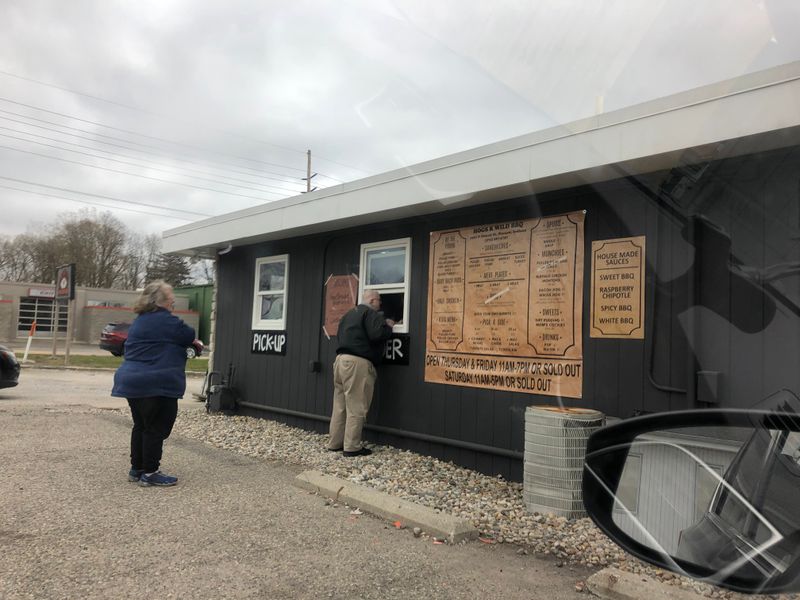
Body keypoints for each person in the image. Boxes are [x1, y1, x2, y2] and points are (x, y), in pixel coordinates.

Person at [111, 280, 196, 486]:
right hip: (155, 384)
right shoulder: (166, 320)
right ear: (162, 302)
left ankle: (136, 469)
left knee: (141, 425)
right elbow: (189, 335)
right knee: (157, 427)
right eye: (171, 300)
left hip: (131, 382)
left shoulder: (140, 320)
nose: (173, 303)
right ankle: (150, 473)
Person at [328, 290, 394, 456]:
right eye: (379, 300)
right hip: (357, 363)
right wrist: (389, 326)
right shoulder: (370, 313)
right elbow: (377, 334)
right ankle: (352, 447)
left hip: (340, 361)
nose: (380, 304)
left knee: (340, 406)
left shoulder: (349, 314)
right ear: (372, 300)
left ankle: (335, 443)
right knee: (356, 406)